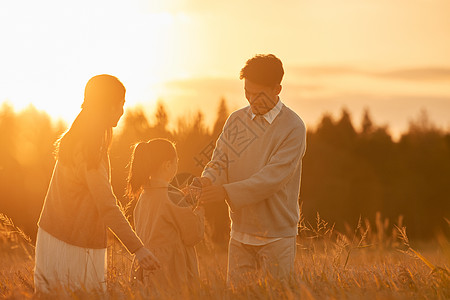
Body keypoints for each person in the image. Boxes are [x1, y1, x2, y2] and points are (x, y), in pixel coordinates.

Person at [34, 75, 160, 293]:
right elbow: (107, 205)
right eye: (120, 103)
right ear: (108, 106)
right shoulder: (89, 149)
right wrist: (138, 248)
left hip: (57, 237)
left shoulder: (82, 138)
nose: (122, 110)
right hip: (73, 244)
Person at [199, 54, 307, 285]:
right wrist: (207, 180)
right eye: (247, 92)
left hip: (277, 236)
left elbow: (271, 179)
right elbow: (219, 161)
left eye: (259, 94)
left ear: (277, 89)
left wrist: (225, 192)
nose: (252, 100)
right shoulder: (236, 121)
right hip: (239, 233)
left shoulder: (293, 127)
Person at [127, 138, 205, 292]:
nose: (177, 166)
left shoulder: (144, 195)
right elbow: (193, 235)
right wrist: (199, 207)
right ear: (167, 165)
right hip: (171, 271)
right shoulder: (173, 196)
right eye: (176, 162)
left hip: (146, 267)